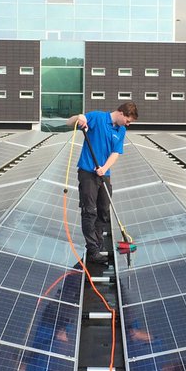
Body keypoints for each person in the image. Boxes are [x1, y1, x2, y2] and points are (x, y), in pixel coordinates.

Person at [67, 101, 138, 262]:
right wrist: (79, 118)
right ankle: (92, 250)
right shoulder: (97, 117)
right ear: (121, 113)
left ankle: (98, 244)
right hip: (88, 173)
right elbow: (69, 122)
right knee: (89, 211)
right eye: (128, 120)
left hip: (104, 173)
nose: (128, 124)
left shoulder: (121, 130)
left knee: (103, 210)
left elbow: (116, 153)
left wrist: (104, 168)